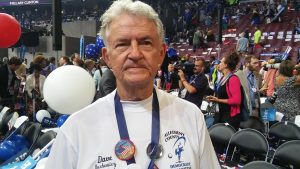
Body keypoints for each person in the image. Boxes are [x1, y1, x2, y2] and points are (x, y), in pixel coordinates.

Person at [45, 1, 220, 168]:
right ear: (107, 57)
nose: (135, 54)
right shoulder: (76, 129)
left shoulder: (191, 117)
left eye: (145, 43)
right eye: (122, 44)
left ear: (160, 54)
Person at [207, 52, 242, 130]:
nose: (219, 64)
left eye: (221, 62)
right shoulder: (223, 78)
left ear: (226, 65)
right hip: (221, 114)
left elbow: (237, 100)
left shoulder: (233, 79)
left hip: (230, 117)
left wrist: (218, 100)